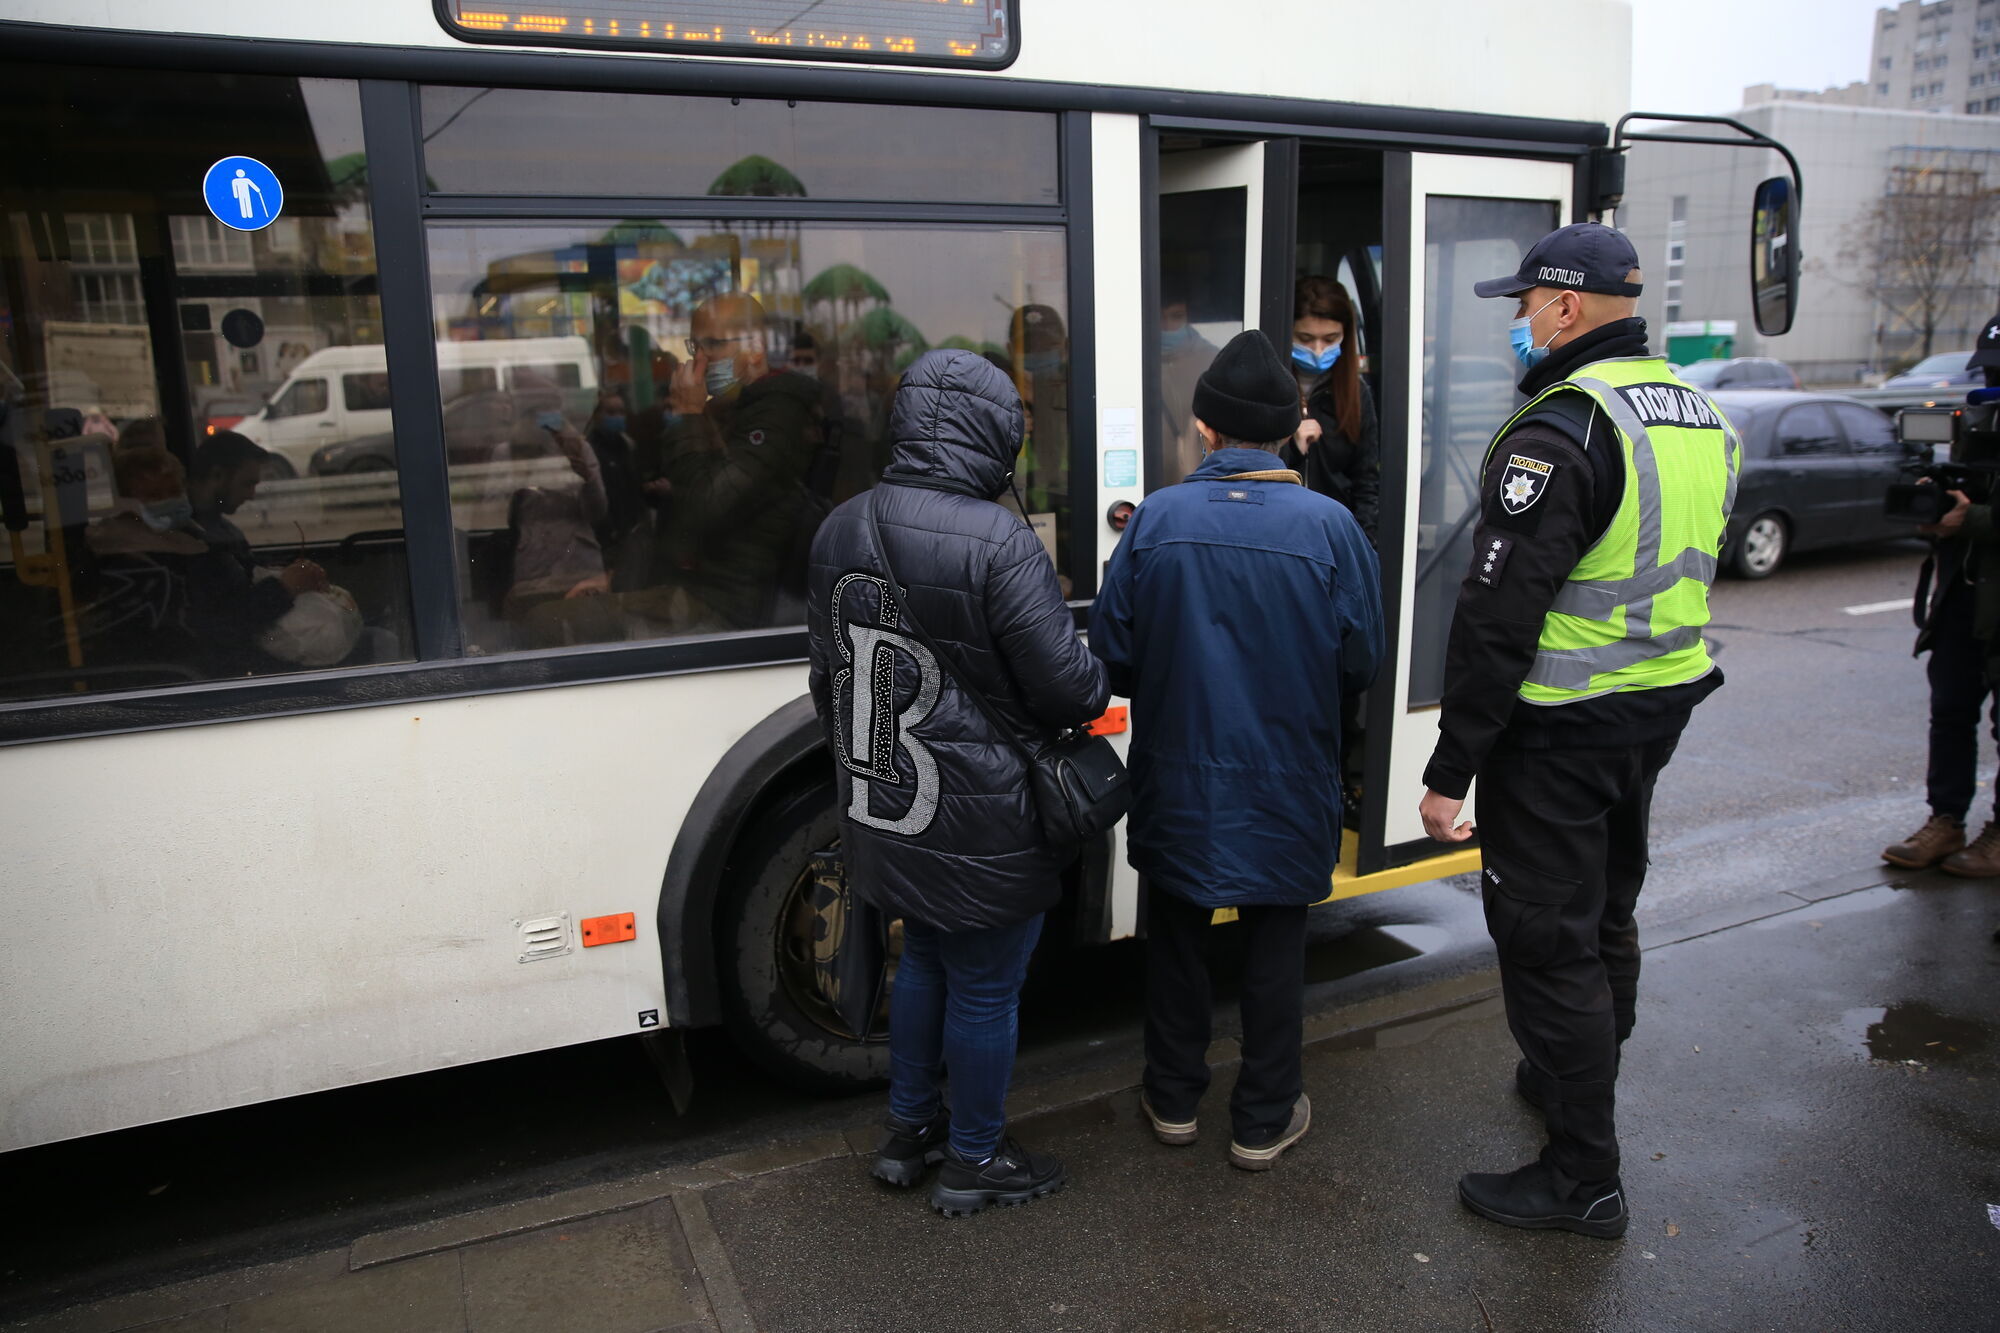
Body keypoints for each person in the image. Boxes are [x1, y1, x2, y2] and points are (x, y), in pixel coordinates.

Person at [1417, 224, 1737, 1239]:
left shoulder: (1563, 429)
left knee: (1547, 942)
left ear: (1562, 307)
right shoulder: (1696, 413)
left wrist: (1449, 769)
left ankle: (1580, 1176)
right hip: (1656, 708)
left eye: (1521, 305)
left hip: (1560, 730)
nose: (1516, 323)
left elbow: (1497, 617)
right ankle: (1572, 1083)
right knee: (1603, 915)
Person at [805, 349, 1108, 1218]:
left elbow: (826, 680)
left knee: (926, 957)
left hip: (887, 800)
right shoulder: (998, 537)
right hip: (984, 816)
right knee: (984, 983)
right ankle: (975, 1158)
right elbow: (1071, 689)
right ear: (994, 436)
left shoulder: (839, 526)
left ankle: (910, 1133)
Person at [1090, 331, 1384, 1172]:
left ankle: (1173, 1097)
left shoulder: (1156, 519)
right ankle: (1261, 1118)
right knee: (1274, 947)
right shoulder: (1329, 529)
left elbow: (1112, 659)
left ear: (1204, 428)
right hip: (1291, 782)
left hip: (1178, 777)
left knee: (1178, 939)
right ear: (1294, 429)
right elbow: (1361, 661)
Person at [1882, 310, 2000, 876]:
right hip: (1963, 591)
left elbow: (1975, 514)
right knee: (1950, 711)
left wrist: (1972, 518)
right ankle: (1945, 820)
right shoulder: (1977, 427)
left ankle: (1998, 832)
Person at [660, 292, 826, 630]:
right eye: (695, 348)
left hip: (733, 606)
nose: (701, 360)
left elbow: (708, 503)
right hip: (703, 587)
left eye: (714, 345)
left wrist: (690, 414)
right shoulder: (735, 408)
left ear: (755, 346)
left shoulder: (778, 412)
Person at [1279, 276, 1381, 544]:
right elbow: (1245, 470)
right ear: (1286, 331)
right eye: (1305, 338)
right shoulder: (1269, 388)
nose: (1317, 350)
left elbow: (1366, 482)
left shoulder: (1357, 393)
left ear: (1345, 336)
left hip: (1334, 538)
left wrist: (1364, 550)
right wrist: (1291, 446)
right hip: (1279, 533)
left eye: (1330, 339)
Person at [1158, 278, 1219, 484]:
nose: (1167, 327)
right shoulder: (1132, 360)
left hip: (1201, 480)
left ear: (1189, 317)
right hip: (1150, 477)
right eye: (1159, 318)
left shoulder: (1212, 360)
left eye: (1176, 317)